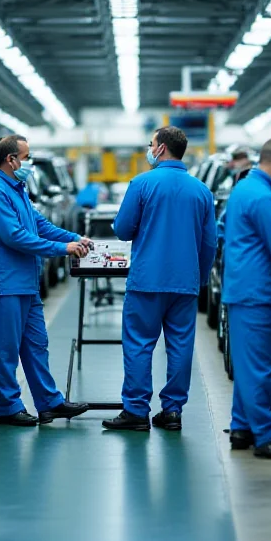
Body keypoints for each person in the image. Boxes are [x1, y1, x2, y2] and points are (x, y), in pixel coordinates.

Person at [103, 126, 216, 432]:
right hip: (185, 284)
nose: (149, 148)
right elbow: (210, 243)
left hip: (146, 281)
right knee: (180, 346)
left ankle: (136, 411)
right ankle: (173, 411)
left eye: (151, 144)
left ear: (162, 148)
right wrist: (200, 278)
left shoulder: (141, 184)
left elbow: (123, 230)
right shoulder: (201, 191)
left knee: (139, 344)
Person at [0, 135, 91, 426]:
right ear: (11, 159)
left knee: (36, 345)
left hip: (26, 281)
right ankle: (9, 407)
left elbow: (40, 225)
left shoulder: (17, 189)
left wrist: (74, 238)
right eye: (26, 158)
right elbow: (13, 236)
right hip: (5, 284)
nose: (29, 164)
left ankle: (49, 402)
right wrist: (62, 250)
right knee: (6, 349)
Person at [222, 137, 271, 459]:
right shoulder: (264, 198)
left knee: (247, 363)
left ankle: (242, 428)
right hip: (257, 291)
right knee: (259, 366)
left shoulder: (244, 189)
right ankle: (266, 437)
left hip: (243, 289)